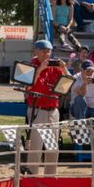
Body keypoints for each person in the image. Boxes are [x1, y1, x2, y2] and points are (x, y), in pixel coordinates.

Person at [24, 40, 67, 175]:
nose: (47, 54)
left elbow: (65, 87)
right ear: (36, 51)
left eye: (48, 51)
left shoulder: (54, 66)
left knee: (52, 147)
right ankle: (32, 178)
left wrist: (64, 69)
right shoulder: (30, 66)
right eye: (43, 51)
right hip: (38, 110)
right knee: (36, 147)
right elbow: (28, 88)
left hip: (53, 110)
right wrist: (40, 70)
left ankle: (50, 178)